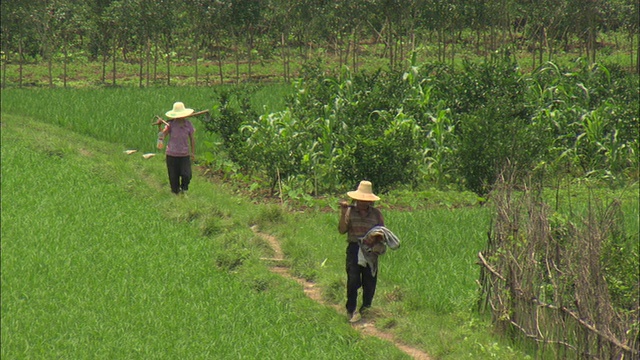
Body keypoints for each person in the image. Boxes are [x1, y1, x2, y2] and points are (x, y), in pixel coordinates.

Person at [338, 180, 387, 323]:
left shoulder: (376, 214)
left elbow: (383, 232)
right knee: (353, 279)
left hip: (370, 250)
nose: (362, 203)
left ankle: (366, 310)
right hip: (354, 248)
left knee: (369, 281)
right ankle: (351, 309)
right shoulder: (349, 212)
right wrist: (342, 214)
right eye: (360, 200)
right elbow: (342, 230)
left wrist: (375, 240)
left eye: (365, 201)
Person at [162, 102, 196, 194]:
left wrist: (192, 153)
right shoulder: (170, 125)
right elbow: (161, 136)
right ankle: (176, 194)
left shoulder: (188, 124)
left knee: (187, 175)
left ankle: (184, 189)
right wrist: (160, 126)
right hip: (171, 154)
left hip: (184, 154)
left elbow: (192, 139)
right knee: (173, 177)